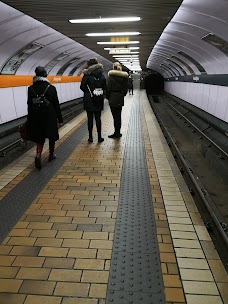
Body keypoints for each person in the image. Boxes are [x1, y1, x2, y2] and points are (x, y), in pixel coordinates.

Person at [27, 66, 63, 169]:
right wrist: (60, 119)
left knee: (39, 137)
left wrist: (30, 119)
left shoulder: (31, 89)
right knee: (51, 136)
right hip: (50, 116)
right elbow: (56, 105)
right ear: (45, 75)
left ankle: (38, 155)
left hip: (36, 116)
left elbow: (29, 105)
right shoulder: (51, 88)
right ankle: (51, 155)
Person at [80, 58, 106, 143]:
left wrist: (88, 92)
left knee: (90, 119)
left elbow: (82, 87)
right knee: (98, 118)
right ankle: (99, 137)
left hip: (89, 99)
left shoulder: (87, 75)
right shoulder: (101, 75)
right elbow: (105, 87)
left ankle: (90, 137)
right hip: (99, 99)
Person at [106, 62, 128, 138]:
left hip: (112, 97)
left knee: (114, 116)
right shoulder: (124, 77)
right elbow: (126, 89)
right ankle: (118, 132)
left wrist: (108, 97)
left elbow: (108, 89)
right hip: (120, 98)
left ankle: (116, 133)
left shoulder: (110, 77)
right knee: (119, 116)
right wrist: (122, 95)